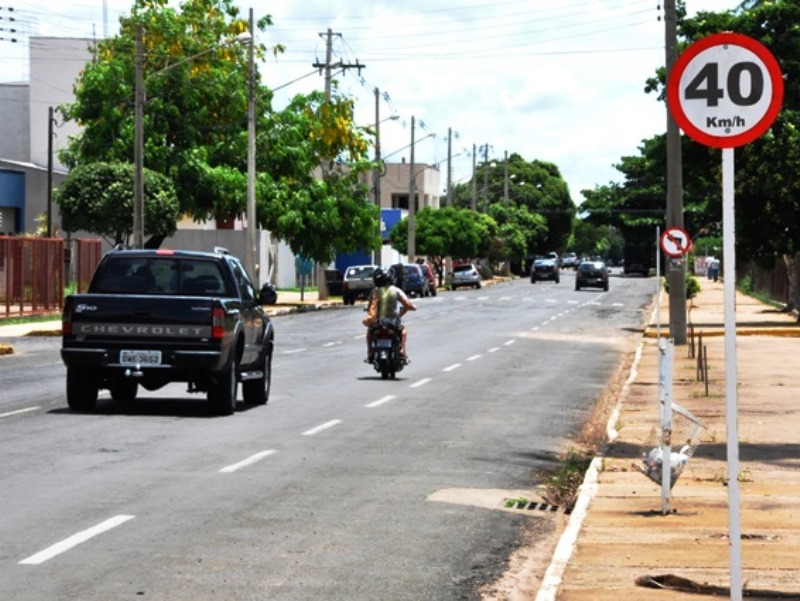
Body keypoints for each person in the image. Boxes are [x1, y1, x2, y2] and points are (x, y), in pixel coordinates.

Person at [364, 267, 416, 363]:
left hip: (377, 322)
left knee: (369, 332)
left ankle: (370, 352)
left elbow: (370, 307)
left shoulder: (375, 291)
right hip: (393, 322)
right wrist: (412, 307)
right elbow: (407, 305)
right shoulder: (395, 290)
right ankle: (402, 350)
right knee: (403, 331)